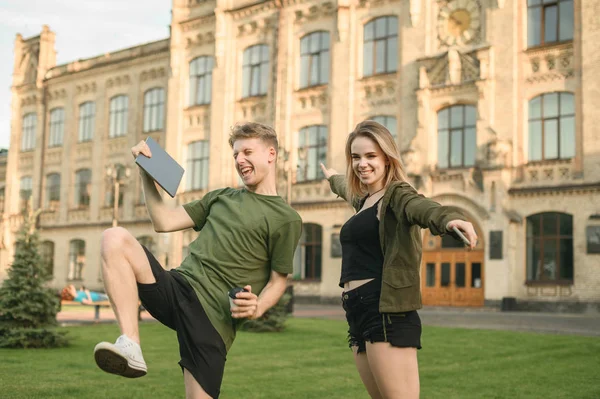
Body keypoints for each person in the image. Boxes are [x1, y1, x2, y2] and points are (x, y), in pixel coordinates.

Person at [93, 122, 302, 399]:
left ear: (271, 154)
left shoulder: (286, 219)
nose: (240, 160)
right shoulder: (221, 197)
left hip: (212, 320)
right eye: (235, 154)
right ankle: (131, 344)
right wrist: (146, 173)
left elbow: (278, 281)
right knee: (114, 237)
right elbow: (164, 221)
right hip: (178, 287)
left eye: (247, 152)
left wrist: (258, 307)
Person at [320, 120, 477, 399]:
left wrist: (450, 218)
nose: (361, 164)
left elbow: (422, 207)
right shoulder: (365, 200)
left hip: (385, 310)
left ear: (387, 158)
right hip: (357, 310)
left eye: (371, 156)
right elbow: (347, 188)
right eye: (355, 157)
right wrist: (333, 178)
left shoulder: (396, 195)